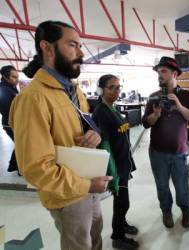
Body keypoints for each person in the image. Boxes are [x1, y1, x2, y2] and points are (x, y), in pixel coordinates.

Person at [9, 20, 112, 250]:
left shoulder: (73, 89)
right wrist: (86, 185)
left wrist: (93, 134)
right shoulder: (32, 99)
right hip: (67, 196)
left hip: (90, 185)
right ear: (47, 48)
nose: (81, 52)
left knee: (95, 239)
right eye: (73, 45)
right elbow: (35, 168)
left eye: (80, 45)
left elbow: (84, 124)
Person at [142, 56, 189, 229]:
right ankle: (166, 211)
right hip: (157, 152)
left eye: (163, 71)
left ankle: (185, 211)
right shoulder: (153, 97)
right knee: (162, 187)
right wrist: (155, 115)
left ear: (174, 74)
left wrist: (179, 106)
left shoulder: (186, 95)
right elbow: (146, 123)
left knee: (182, 187)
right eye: (158, 72)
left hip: (179, 152)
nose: (159, 75)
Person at [92, 74, 139, 250]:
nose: (116, 91)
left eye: (118, 87)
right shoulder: (101, 113)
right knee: (122, 202)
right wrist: (113, 175)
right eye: (111, 87)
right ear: (102, 90)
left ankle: (123, 224)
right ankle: (118, 237)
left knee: (122, 202)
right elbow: (105, 146)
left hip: (123, 162)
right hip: (116, 167)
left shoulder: (112, 108)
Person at [0, 65, 19, 174]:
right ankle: (18, 167)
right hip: (10, 124)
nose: (17, 80)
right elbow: (7, 110)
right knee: (22, 145)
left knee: (21, 144)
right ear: (5, 77)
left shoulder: (10, 87)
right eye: (14, 77)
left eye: (17, 77)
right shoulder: (3, 90)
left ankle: (14, 166)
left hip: (14, 123)